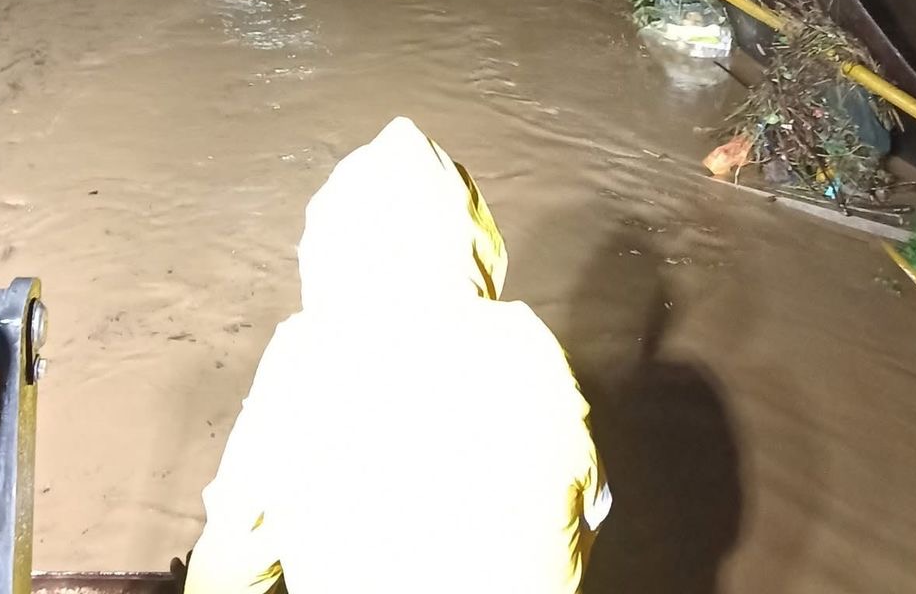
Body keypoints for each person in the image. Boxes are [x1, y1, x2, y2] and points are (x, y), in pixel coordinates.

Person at [184, 118, 609, 594]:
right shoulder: (530, 345)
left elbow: (230, 559)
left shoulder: (301, 353)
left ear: (332, 242)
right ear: (472, 235)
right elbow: (590, 516)